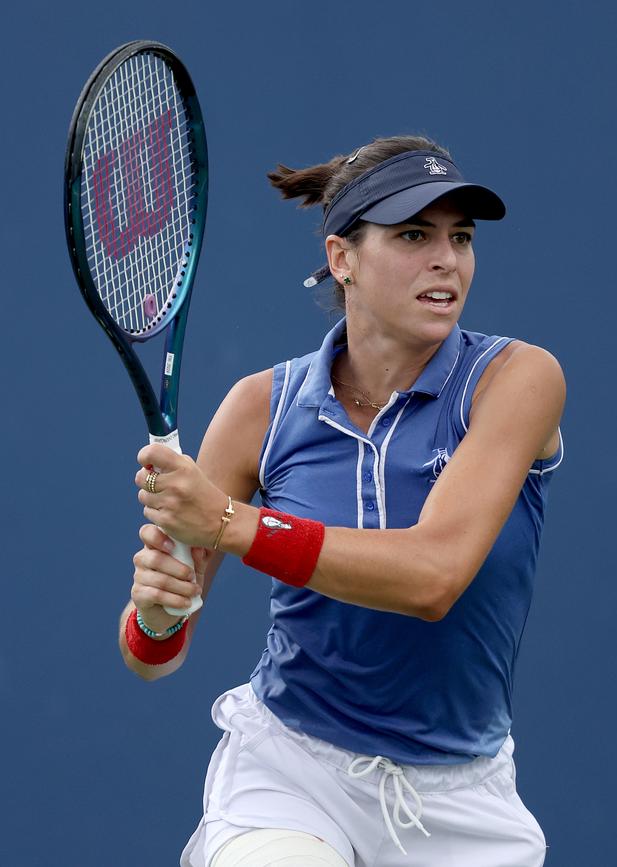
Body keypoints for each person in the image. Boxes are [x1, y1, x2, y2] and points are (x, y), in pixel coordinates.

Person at [119, 135, 565, 867]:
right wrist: (160, 613)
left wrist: (231, 523)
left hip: (461, 802)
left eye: (461, 237)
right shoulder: (260, 407)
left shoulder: (518, 379)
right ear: (342, 258)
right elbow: (151, 654)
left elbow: (433, 577)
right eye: (414, 235)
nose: (446, 260)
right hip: (293, 769)